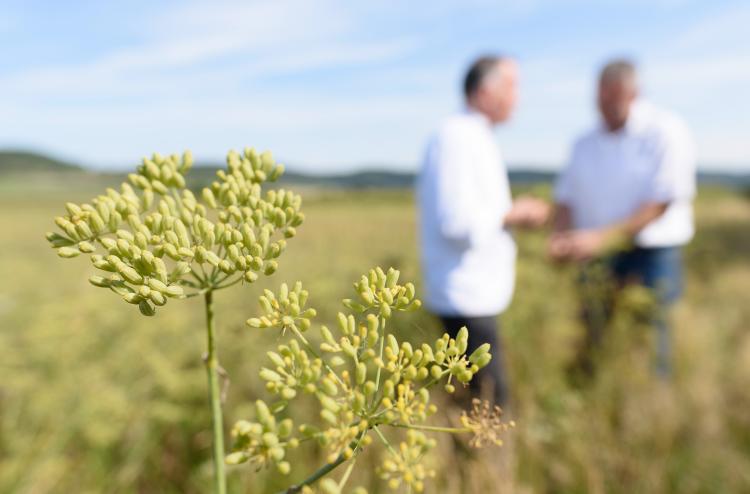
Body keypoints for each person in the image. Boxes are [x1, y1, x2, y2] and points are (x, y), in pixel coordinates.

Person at [549, 59, 696, 376]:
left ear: (634, 94)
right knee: (592, 330)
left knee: (651, 336)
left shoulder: (665, 130)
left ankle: (650, 404)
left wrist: (601, 238)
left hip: (651, 253)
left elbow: (660, 203)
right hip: (595, 254)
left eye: (613, 98)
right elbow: (565, 199)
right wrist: (560, 237)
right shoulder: (583, 142)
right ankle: (589, 393)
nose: (605, 106)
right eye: (601, 98)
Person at [417, 55, 549, 407]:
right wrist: (512, 215)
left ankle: (474, 462)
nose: (517, 97)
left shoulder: (472, 135)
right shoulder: (457, 137)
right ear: (486, 91)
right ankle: (483, 464)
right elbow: (455, 222)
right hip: (465, 297)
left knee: (475, 399)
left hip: (473, 293)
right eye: (512, 87)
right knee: (487, 405)